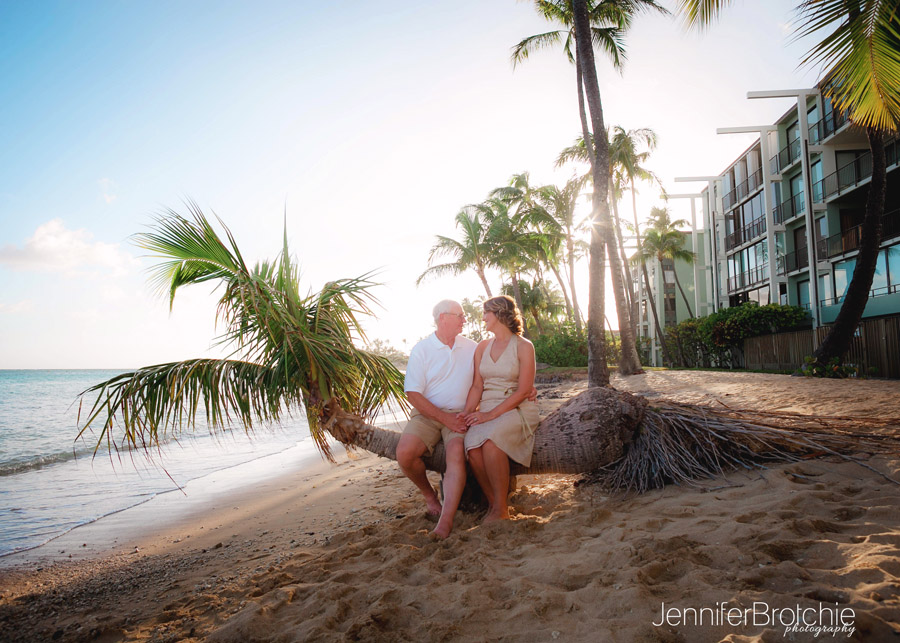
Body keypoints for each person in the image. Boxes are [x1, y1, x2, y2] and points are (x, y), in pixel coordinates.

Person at [395, 299, 475, 539]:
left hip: (460, 415)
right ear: (443, 318)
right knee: (405, 453)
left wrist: (527, 388)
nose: (464, 320)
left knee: (455, 455)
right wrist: (443, 419)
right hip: (427, 414)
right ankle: (431, 498)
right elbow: (413, 394)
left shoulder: (472, 347)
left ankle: (445, 521)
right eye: (460, 316)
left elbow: (497, 367)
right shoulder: (422, 349)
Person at [463, 295, 539, 523]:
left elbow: (524, 390)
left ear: (499, 314)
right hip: (486, 407)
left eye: (486, 313)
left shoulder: (524, 346)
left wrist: (489, 416)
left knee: (491, 443)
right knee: (473, 448)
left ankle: (500, 509)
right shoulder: (482, 347)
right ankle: (496, 504)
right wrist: (467, 413)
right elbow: (477, 385)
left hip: (516, 408)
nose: (483, 317)